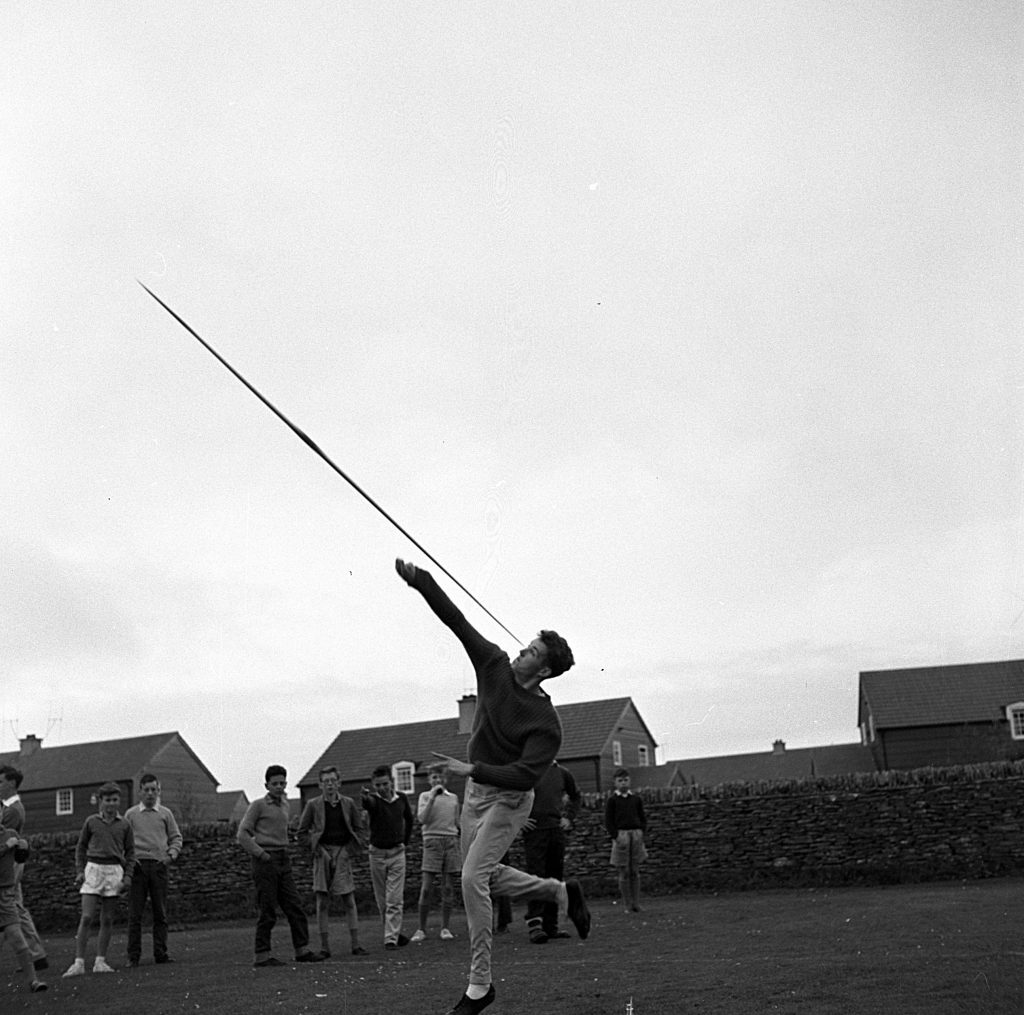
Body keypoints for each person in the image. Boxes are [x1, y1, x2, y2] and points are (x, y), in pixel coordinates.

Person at [395, 558, 591, 1015]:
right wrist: (423, 583)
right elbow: (458, 622)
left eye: (532, 652)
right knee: (483, 876)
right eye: (525, 646)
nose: (522, 653)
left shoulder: (547, 724)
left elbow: (525, 776)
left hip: (509, 800)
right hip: (477, 797)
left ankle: (480, 985)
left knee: (470, 877)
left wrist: (471, 770)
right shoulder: (494, 665)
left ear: (543, 670)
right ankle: (558, 892)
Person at [236, 765, 323, 967]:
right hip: (265, 861)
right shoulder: (257, 805)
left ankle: (302, 950)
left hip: (284, 859)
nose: (279, 787)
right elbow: (242, 834)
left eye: (282, 783)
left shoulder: (285, 804)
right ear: (267, 785)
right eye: (274, 783)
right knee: (267, 909)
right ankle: (262, 956)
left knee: (295, 906)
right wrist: (261, 854)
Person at [63, 782, 135, 977]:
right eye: (107, 800)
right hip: (93, 869)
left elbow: (130, 853)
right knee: (86, 917)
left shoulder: (125, 824)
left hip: (114, 871)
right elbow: (80, 848)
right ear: (100, 802)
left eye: (114, 800)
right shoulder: (91, 822)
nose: (111, 804)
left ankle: (100, 961)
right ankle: (78, 963)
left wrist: (127, 877)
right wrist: (80, 871)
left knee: (108, 918)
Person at [297, 765, 369, 958]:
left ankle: (356, 945)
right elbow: (301, 834)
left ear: (339, 783)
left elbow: (360, 831)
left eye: (333, 781)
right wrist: (318, 850)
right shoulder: (313, 805)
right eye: (326, 781)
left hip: (342, 853)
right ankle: (324, 947)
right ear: (320, 785)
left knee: (349, 900)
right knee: (322, 902)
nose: (330, 784)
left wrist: (347, 851)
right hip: (322, 854)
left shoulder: (348, 803)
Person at [124, 773, 183, 967]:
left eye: (154, 790)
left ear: (159, 792)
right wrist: (130, 862)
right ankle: (133, 957)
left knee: (161, 913)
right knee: (135, 915)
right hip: (138, 868)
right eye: (146, 790)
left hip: (158, 867)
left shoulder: (165, 814)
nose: (150, 794)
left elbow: (176, 837)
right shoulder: (131, 815)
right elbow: (123, 842)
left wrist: (170, 856)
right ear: (140, 792)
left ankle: (161, 953)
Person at [522, 760, 581, 943]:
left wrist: (568, 818)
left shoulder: (562, 773)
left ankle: (550, 926)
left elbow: (575, 796)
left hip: (555, 830)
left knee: (555, 877)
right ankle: (535, 925)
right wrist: (519, 820)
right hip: (534, 831)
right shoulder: (527, 771)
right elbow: (509, 798)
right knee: (536, 875)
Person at [0, 765, 48, 971]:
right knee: (15, 907)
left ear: (11, 783)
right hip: (10, 862)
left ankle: (35, 954)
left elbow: (6, 837)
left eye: (1, 781)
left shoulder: (12, 811)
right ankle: (35, 955)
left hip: (10, 863)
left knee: (14, 908)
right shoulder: (9, 808)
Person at [360, 765, 412, 950]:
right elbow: (368, 804)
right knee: (382, 900)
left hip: (397, 853)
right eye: (378, 785)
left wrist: (404, 841)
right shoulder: (374, 801)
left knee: (395, 899)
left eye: (385, 784)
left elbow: (410, 820)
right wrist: (365, 797)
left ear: (392, 782)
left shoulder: (402, 799)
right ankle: (393, 932)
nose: (381, 788)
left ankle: (390, 939)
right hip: (377, 854)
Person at [411, 762, 460, 942]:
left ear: (445, 779)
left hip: (450, 841)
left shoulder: (453, 798)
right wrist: (432, 797)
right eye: (433, 777)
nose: (437, 779)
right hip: (432, 841)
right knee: (426, 889)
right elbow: (422, 819)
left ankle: (445, 928)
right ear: (429, 779)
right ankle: (421, 929)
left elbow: (457, 822)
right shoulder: (424, 796)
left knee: (447, 888)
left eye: (440, 777)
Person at [0, 821, 47, 992]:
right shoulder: (7, 840)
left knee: (19, 941)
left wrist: (24, 848)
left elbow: (20, 858)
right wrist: (5, 846)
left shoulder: (11, 833)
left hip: (6, 895)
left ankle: (34, 982)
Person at [604, 767, 648, 912]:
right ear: (615, 783)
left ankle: (636, 903)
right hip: (621, 836)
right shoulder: (612, 801)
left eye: (626, 780)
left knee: (635, 870)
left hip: (635, 835)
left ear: (630, 781)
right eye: (620, 781)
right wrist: (616, 837)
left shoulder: (636, 799)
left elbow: (642, 818)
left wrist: (641, 831)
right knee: (624, 871)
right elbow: (608, 822)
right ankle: (627, 904)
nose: (623, 783)